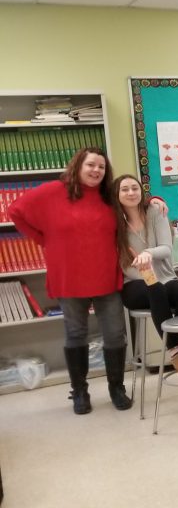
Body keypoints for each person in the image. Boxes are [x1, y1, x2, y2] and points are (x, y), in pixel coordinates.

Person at [9, 147, 133, 414]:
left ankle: (116, 387)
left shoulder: (108, 195)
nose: (96, 170)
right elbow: (15, 211)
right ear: (78, 165)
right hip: (69, 276)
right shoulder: (54, 190)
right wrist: (44, 240)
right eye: (91, 165)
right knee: (76, 333)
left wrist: (156, 198)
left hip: (106, 275)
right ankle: (79, 391)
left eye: (101, 166)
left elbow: (134, 199)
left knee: (115, 334)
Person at [112, 174, 178, 375]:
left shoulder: (155, 210)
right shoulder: (113, 221)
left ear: (142, 191)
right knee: (154, 288)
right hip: (133, 283)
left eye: (135, 188)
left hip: (164, 277)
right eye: (124, 189)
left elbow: (167, 248)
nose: (131, 192)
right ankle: (176, 349)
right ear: (116, 195)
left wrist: (148, 253)